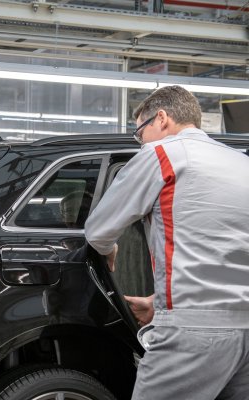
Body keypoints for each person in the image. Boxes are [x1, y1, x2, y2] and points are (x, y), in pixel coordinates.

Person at [84, 85, 249, 400]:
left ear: (161, 118)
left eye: (140, 133)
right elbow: (224, 251)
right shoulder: (241, 163)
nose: (141, 142)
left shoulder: (163, 155)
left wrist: (111, 250)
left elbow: (99, 230)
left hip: (193, 332)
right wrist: (158, 300)